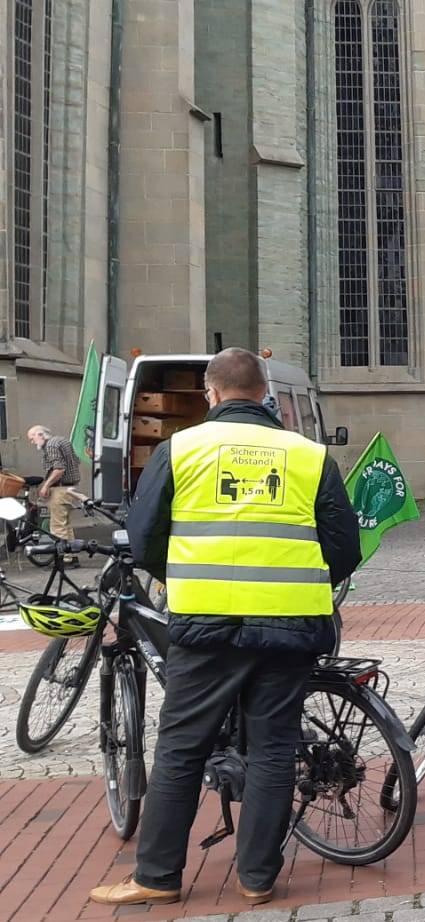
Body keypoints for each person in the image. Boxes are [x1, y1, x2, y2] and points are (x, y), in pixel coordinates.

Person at [91, 348, 361, 907]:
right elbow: (343, 548)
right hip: (288, 626)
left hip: (206, 624)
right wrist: (295, 580)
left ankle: (158, 876)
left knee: (183, 749)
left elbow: (143, 540)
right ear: (266, 395)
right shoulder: (308, 456)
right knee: (272, 748)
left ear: (210, 394)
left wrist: (185, 578)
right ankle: (257, 878)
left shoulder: (180, 448)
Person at [26, 425, 82, 541]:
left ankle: (62, 556)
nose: (32, 442)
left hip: (60, 489)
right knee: (66, 525)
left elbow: (59, 469)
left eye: (32, 438)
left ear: (40, 435)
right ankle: (70, 556)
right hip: (71, 488)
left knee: (58, 527)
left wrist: (45, 486)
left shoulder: (51, 445)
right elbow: (77, 461)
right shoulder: (62, 440)